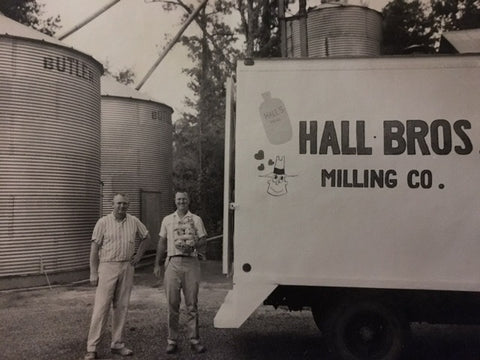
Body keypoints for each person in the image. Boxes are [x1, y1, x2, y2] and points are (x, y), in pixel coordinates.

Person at [84, 193, 150, 360]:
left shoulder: (133, 221)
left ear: (128, 205)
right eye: (119, 203)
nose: (122, 207)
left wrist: (138, 256)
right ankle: (92, 348)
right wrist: (93, 271)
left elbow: (146, 237)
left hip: (127, 266)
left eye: (125, 204)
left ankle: (117, 344)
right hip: (107, 266)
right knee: (101, 307)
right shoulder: (103, 222)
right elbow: (94, 248)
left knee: (121, 307)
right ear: (112, 204)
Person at [154, 191, 207, 354]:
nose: (181, 201)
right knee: (172, 303)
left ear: (188, 201)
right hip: (173, 262)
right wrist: (158, 263)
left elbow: (203, 239)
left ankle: (194, 339)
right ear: (175, 201)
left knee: (192, 303)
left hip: (191, 261)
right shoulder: (167, 220)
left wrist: (194, 246)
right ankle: (172, 340)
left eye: (184, 199)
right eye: (178, 199)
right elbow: (162, 242)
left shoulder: (196, 219)